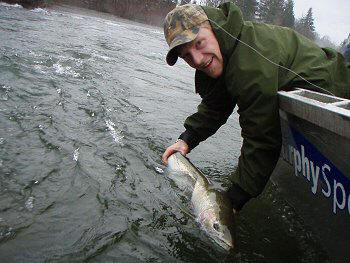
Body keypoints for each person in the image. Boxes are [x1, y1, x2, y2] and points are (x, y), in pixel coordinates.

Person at [161, 3, 350, 213]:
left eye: (198, 43)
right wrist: (186, 140)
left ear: (214, 28)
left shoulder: (249, 65)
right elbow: (216, 105)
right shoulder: (227, 51)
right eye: (186, 55)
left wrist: (233, 199)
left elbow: (261, 139)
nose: (197, 59)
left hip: (341, 88)